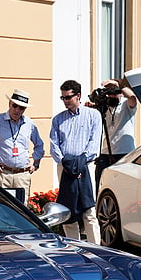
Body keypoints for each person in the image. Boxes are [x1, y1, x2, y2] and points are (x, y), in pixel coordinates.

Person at [50, 80, 102, 243]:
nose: (65, 101)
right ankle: (73, 247)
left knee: (89, 211)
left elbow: (94, 144)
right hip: (64, 167)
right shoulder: (58, 119)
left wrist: (79, 163)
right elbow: (54, 144)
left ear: (78, 96)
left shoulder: (93, 115)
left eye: (68, 97)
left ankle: (96, 250)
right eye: (63, 98)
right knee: (68, 209)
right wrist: (65, 163)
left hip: (85, 167)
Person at [89, 79, 138, 192]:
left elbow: (133, 98)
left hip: (124, 153)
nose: (113, 96)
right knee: (100, 184)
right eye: (110, 94)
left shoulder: (126, 106)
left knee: (123, 186)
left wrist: (119, 85)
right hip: (106, 152)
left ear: (121, 93)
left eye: (116, 93)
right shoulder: (104, 107)